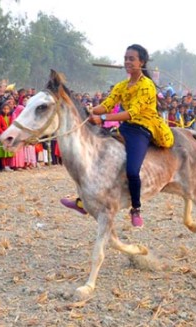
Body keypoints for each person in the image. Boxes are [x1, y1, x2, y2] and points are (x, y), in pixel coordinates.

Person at [61, 44, 174, 227]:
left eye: (132, 59)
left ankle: (136, 208)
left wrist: (103, 118)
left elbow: (132, 113)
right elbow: (106, 105)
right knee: (96, 162)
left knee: (131, 170)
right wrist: (86, 111)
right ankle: (83, 201)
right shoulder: (122, 85)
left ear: (142, 62)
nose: (127, 61)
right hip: (125, 129)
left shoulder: (146, 86)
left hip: (142, 130)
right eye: (126, 58)